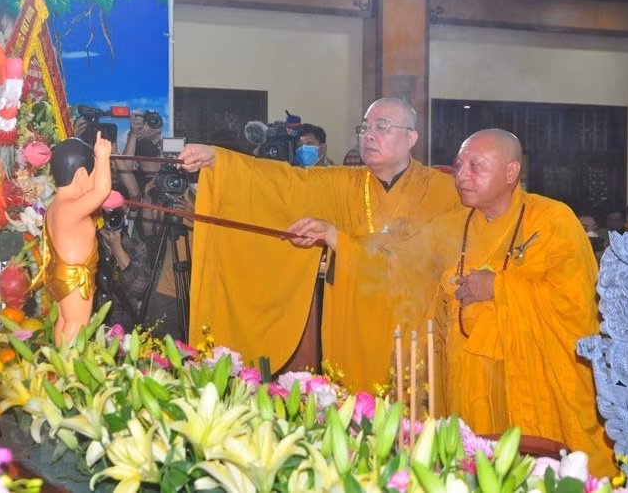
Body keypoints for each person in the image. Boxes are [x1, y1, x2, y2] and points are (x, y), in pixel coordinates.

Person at [179, 97, 461, 392]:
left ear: (411, 138)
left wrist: (337, 238)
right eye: (364, 128)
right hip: (354, 325)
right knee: (355, 408)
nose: (369, 135)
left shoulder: (444, 191)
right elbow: (287, 185)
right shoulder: (345, 184)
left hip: (413, 329)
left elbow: (426, 255)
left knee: (413, 411)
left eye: (382, 127)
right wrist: (220, 160)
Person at [436, 129, 614, 477]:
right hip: (472, 381)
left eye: (475, 166)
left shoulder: (552, 219)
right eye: (459, 166)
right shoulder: (455, 224)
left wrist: (498, 287)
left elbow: (575, 304)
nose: (461, 176)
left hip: (537, 383)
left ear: (511, 172)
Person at [34, 133, 112, 345]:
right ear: (81, 176)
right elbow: (102, 191)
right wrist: (103, 158)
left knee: (64, 320)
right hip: (75, 278)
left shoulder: (55, 207)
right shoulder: (70, 209)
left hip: (61, 275)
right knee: (77, 323)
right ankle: (70, 363)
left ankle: (58, 360)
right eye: (92, 175)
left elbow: (96, 188)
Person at [94, 184, 153, 329]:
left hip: (122, 330)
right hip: (92, 326)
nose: (111, 220)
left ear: (124, 215)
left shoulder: (136, 247)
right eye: (106, 216)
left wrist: (117, 248)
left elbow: (138, 288)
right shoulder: (89, 246)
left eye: (116, 215)